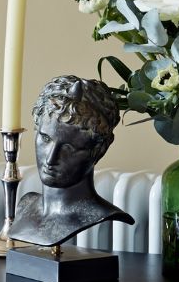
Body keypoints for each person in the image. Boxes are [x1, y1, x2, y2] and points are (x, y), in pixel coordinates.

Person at [10, 76, 133, 248]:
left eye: (69, 147)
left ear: (100, 149)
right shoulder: (25, 206)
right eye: (45, 138)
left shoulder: (99, 215)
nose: (51, 158)